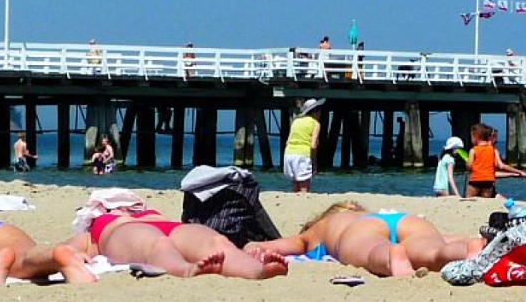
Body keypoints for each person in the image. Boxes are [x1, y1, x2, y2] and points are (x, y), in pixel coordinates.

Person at [67, 188, 288, 279]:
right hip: (125, 233)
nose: (123, 207)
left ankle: (257, 270)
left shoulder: (149, 213)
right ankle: (186, 269)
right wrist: (74, 253)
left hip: (171, 227)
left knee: (217, 242)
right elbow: (72, 247)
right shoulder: (99, 225)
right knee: (157, 245)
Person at [243, 200, 484, 277]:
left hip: (359, 232)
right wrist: (461, 240)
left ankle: (391, 256)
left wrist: (253, 247)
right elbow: (443, 236)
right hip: (404, 219)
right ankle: (467, 251)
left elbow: (266, 245)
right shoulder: (368, 214)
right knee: (433, 251)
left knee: (373, 250)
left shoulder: (315, 231)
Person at [466, 123, 526, 198]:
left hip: (475, 179)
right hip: (488, 181)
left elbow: (469, 166)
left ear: (476, 136)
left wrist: (468, 165)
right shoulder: (493, 150)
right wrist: (518, 172)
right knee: (487, 201)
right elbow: (501, 166)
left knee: (469, 198)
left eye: (472, 137)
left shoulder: (473, 150)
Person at [283, 98, 325, 193]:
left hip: (288, 154)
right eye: (319, 111)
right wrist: (314, 164)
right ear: (316, 112)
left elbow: (287, 142)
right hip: (302, 155)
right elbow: (313, 145)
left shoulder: (296, 121)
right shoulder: (316, 124)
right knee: (304, 186)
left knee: (295, 183)